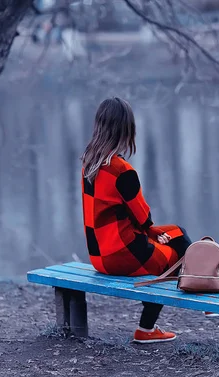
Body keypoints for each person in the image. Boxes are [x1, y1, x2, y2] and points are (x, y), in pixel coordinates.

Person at [80, 97, 192, 344]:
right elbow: (143, 216)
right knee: (172, 258)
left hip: (99, 255)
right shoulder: (122, 171)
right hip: (122, 253)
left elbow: (132, 220)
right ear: (126, 130)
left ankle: (202, 283)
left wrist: (152, 233)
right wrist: (150, 231)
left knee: (177, 232)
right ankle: (147, 328)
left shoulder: (89, 163)